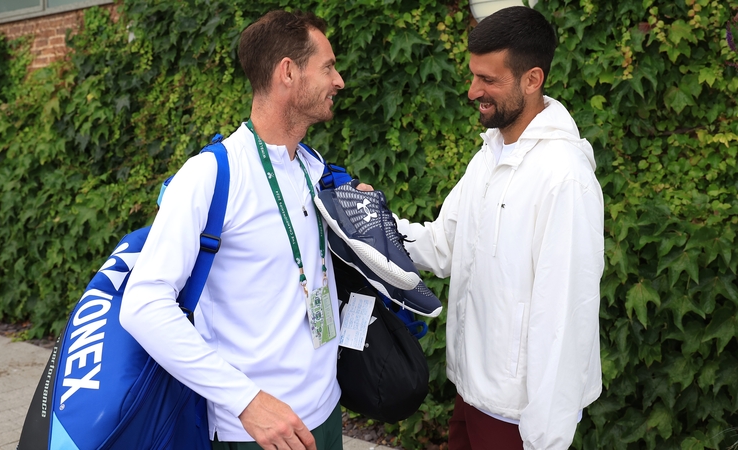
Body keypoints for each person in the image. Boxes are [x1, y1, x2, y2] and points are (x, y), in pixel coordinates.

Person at [121, 10, 347, 450]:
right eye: (327, 67)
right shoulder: (211, 174)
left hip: (325, 412)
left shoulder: (314, 167)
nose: (338, 80)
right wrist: (246, 401)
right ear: (287, 72)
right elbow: (143, 305)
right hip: (256, 432)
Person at [395, 6, 605, 449]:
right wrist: (369, 223)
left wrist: (544, 440)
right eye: (473, 76)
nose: (473, 92)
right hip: (470, 397)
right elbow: (442, 246)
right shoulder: (488, 157)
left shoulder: (563, 177)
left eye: (488, 80)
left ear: (532, 80)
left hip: (518, 421)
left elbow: (565, 320)